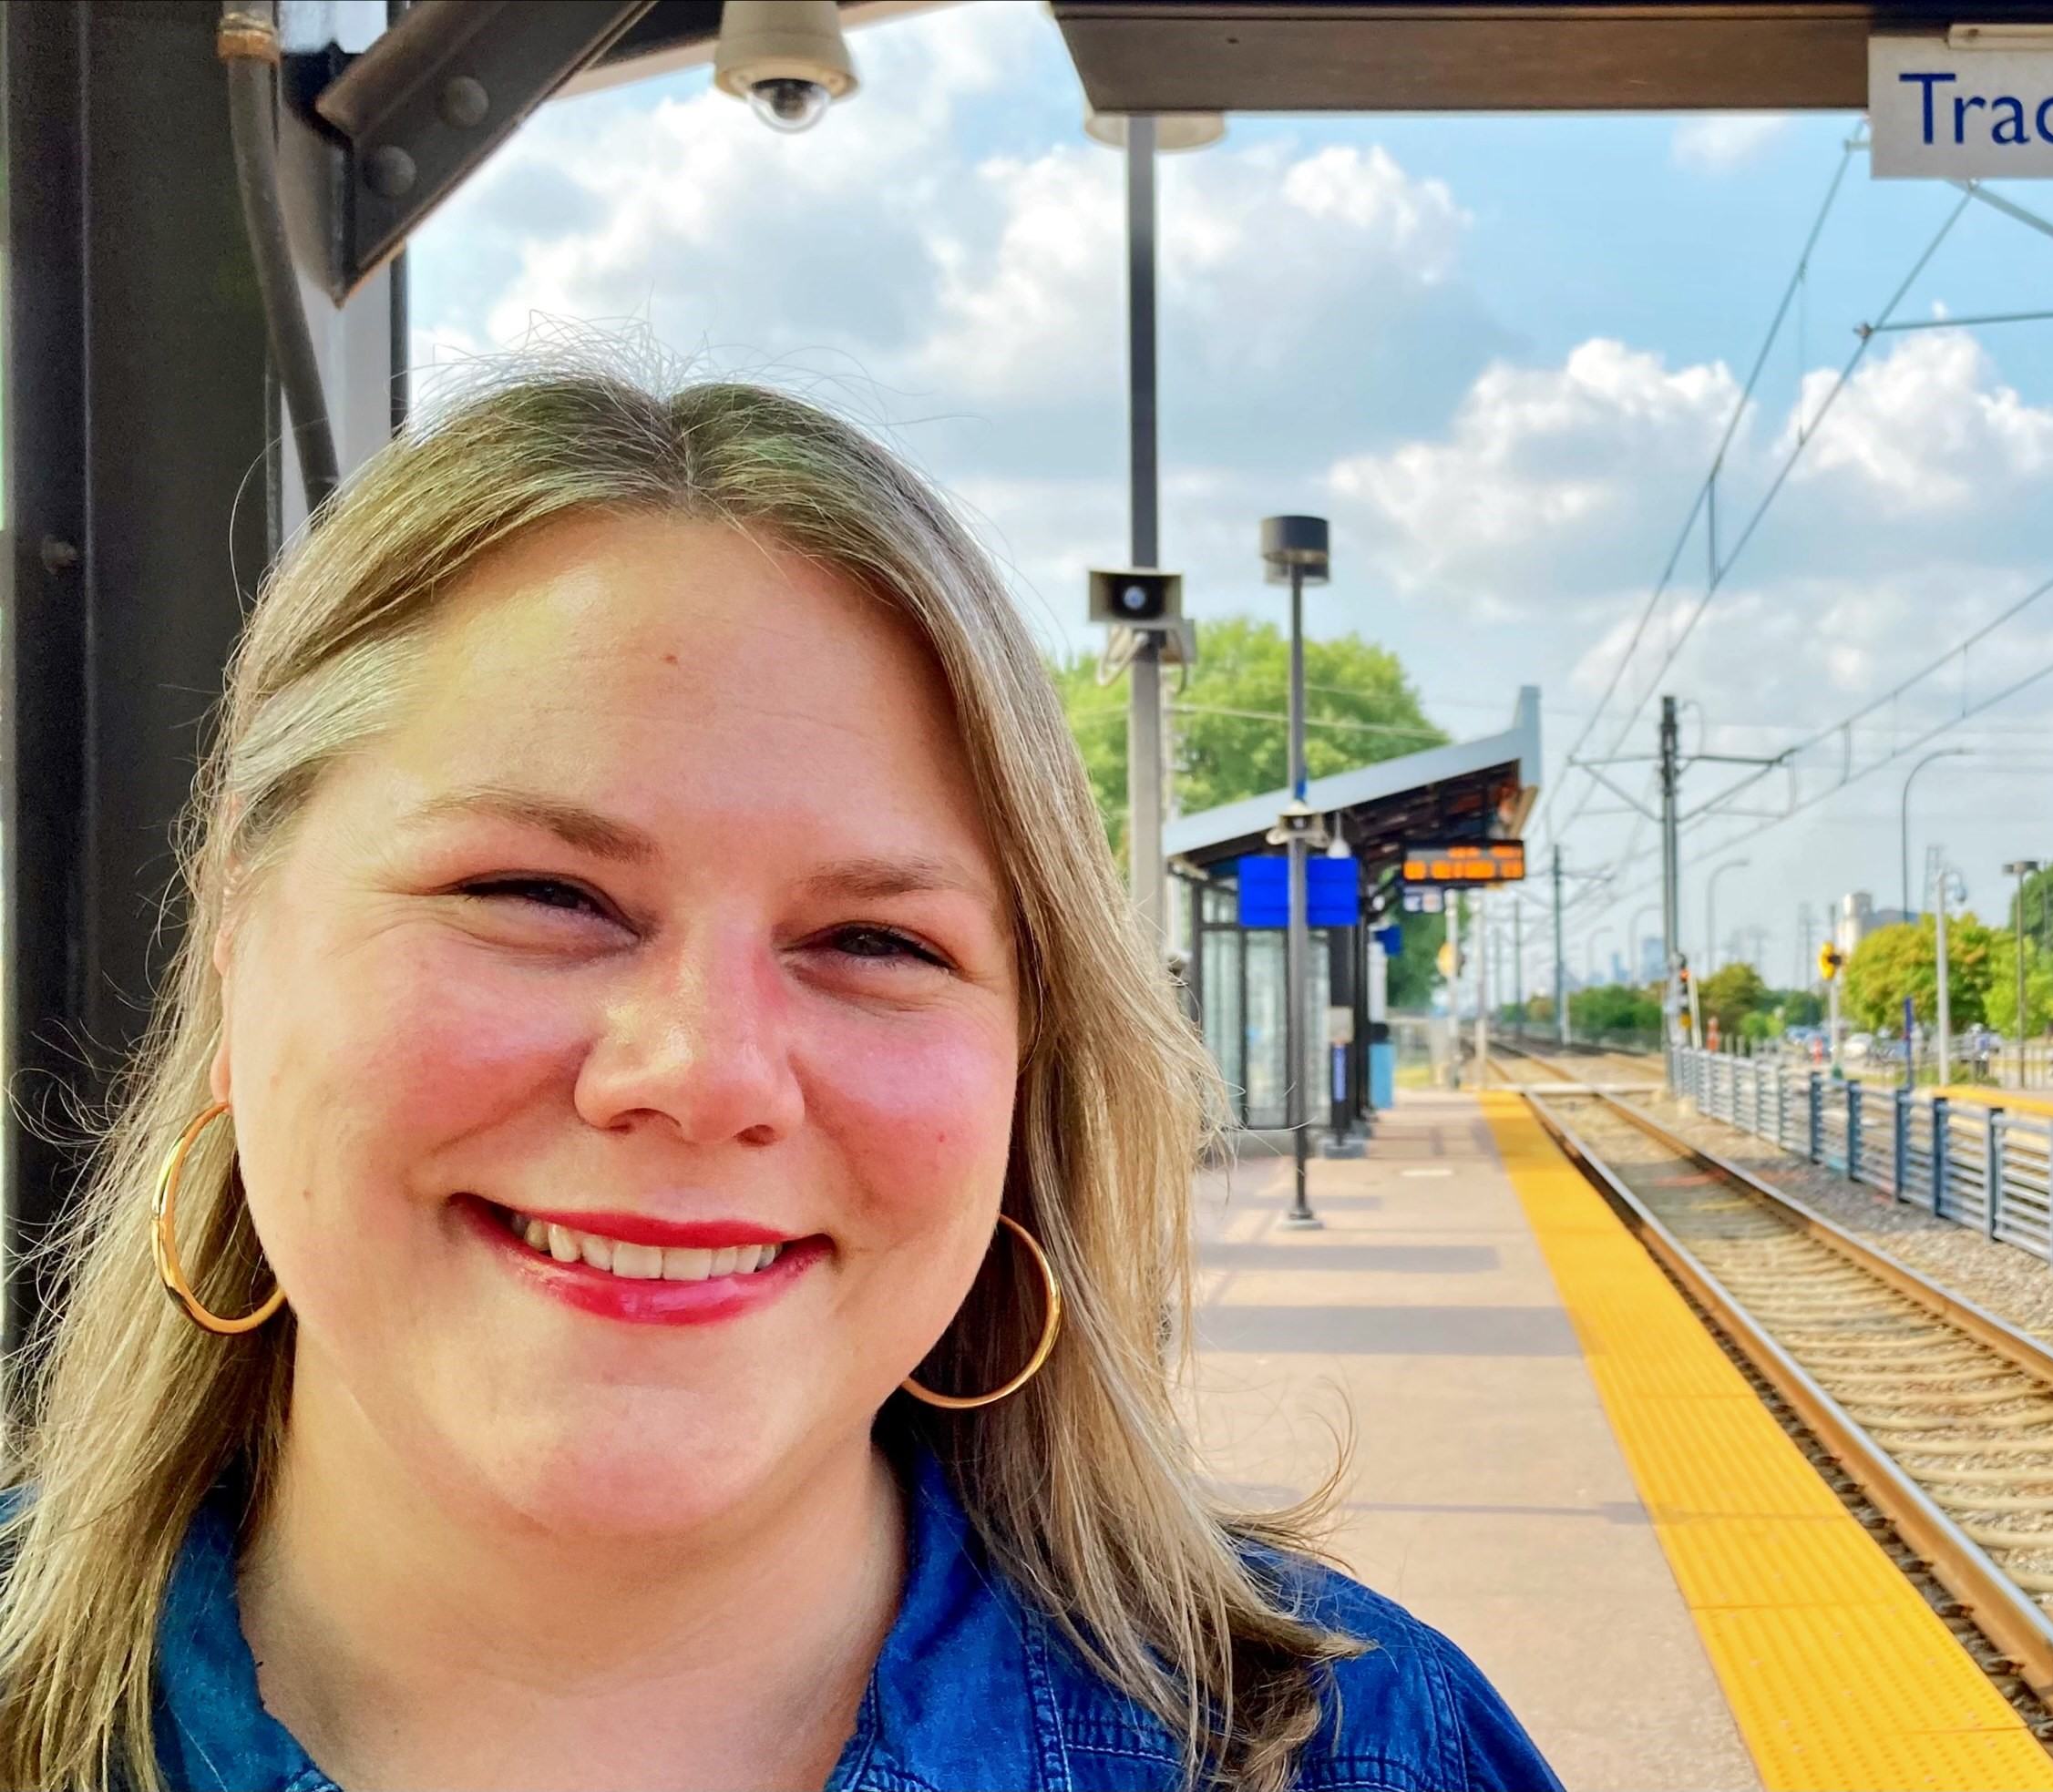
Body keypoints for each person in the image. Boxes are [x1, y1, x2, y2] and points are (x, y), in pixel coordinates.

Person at [0, 368, 1556, 1792]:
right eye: (540, 894)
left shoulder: (1373, 1753)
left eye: (875, 937)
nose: (704, 1070)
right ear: (235, 948)